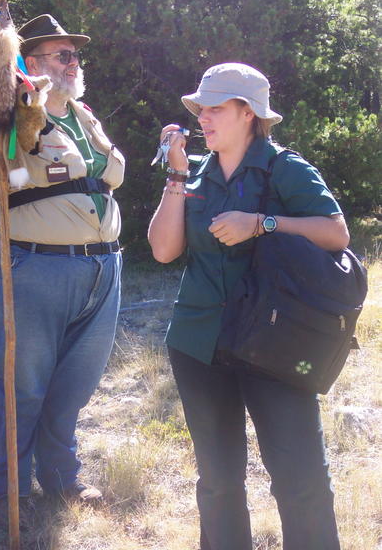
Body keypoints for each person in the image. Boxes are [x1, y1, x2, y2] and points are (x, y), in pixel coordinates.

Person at [148, 63, 349, 550]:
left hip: (277, 345)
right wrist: (176, 173)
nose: (203, 118)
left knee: (299, 480)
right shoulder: (195, 173)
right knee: (217, 482)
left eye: (216, 108)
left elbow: (336, 233)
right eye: (200, 109)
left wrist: (262, 223)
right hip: (199, 343)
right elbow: (163, 249)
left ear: (248, 113)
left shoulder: (287, 169)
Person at [0, 14, 124, 525]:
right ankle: (7, 490)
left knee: (75, 382)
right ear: (31, 64)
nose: (74, 63)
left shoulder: (82, 114)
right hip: (31, 267)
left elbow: (108, 176)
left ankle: (61, 477)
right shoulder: (13, 116)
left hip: (101, 271)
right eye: (62, 55)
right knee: (24, 385)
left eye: (75, 55)